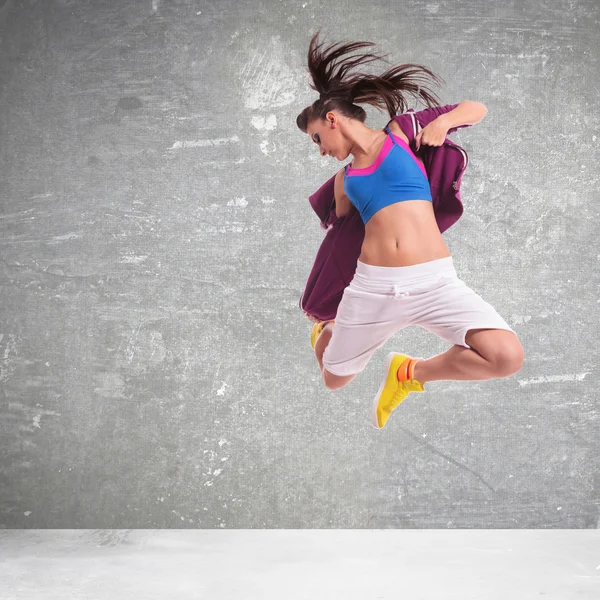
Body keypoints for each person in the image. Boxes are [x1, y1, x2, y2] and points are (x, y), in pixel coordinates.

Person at [296, 32, 525, 430]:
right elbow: (341, 235)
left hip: (435, 281)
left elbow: (477, 108)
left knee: (505, 356)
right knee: (334, 379)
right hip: (375, 288)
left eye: (316, 137)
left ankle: (408, 373)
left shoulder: (401, 133)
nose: (319, 149)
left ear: (331, 120)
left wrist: (445, 123)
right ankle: (327, 329)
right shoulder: (345, 179)